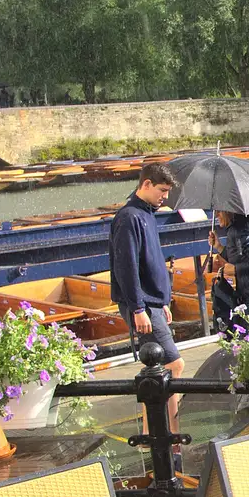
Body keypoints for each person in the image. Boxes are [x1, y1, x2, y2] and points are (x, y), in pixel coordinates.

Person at [109, 162, 183, 432]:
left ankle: (152, 431)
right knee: (174, 364)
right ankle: (169, 434)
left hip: (152, 302)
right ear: (146, 184)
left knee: (158, 369)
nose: (165, 197)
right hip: (142, 304)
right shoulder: (130, 217)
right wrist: (138, 308)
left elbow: (150, 261)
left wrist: (162, 301)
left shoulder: (146, 214)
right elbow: (125, 265)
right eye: (162, 190)